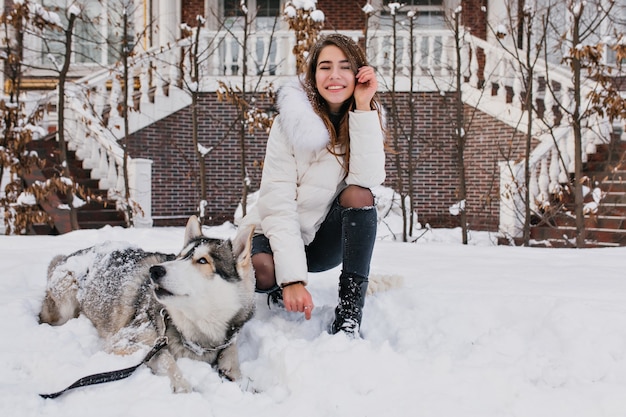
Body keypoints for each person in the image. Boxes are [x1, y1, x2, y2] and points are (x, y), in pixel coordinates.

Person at [235, 33, 386, 337]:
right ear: (313, 75)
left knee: (360, 194)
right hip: (274, 231)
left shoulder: (365, 118)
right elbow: (277, 203)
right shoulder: (288, 123)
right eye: (325, 66)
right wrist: (290, 280)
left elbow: (367, 183)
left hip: (321, 242)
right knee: (262, 271)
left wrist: (363, 107)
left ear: (357, 73)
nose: (334, 76)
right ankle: (277, 291)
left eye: (344, 67)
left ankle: (349, 312)